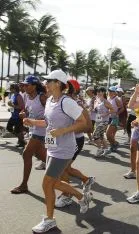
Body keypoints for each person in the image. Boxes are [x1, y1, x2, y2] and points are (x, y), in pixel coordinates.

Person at [24, 70, 92, 233]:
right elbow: (48, 123)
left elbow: (83, 123)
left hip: (64, 149)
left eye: (49, 81)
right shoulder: (49, 101)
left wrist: (63, 131)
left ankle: (49, 220)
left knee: (47, 183)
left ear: (58, 84)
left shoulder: (66, 102)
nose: (45, 84)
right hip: (52, 147)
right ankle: (81, 197)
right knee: (52, 183)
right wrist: (32, 121)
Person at [55, 79, 95, 208]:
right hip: (62, 139)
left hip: (74, 140)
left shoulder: (76, 104)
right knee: (65, 168)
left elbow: (89, 127)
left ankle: (67, 195)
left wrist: (68, 130)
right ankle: (86, 180)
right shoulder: (59, 101)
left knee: (62, 168)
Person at [11, 76, 47, 194]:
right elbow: (27, 111)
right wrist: (24, 114)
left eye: (27, 85)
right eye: (24, 85)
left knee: (26, 154)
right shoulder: (26, 96)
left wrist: (37, 120)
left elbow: (51, 115)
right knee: (45, 158)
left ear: (35, 85)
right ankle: (68, 171)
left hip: (41, 131)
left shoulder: (42, 97)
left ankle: (23, 185)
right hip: (33, 130)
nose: (24, 87)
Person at [123, 86, 139, 179]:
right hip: (137, 128)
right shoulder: (136, 98)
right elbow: (129, 106)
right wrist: (136, 92)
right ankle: (133, 171)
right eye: (137, 88)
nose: (138, 90)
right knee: (133, 148)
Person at [93, 87, 115, 157]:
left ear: (103, 93)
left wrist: (105, 114)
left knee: (95, 135)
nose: (99, 93)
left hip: (104, 121)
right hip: (98, 120)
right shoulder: (96, 100)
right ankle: (106, 149)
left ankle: (100, 149)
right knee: (101, 135)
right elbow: (96, 110)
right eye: (98, 92)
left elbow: (112, 110)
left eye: (100, 92)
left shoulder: (105, 101)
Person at [106, 86, 124, 152]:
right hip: (108, 118)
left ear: (114, 92)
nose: (109, 92)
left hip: (114, 118)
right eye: (109, 91)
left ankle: (115, 143)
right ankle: (113, 144)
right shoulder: (108, 98)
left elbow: (122, 108)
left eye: (111, 91)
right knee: (109, 135)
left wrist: (117, 113)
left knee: (108, 134)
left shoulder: (116, 99)